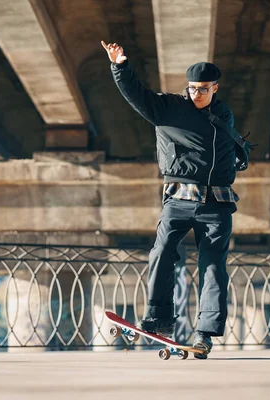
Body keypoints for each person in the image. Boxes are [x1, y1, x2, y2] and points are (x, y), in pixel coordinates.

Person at [101, 40, 244, 359]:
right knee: (162, 251)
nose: (197, 94)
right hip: (179, 198)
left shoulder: (223, 114)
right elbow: (136, 95)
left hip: (217, 204)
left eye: (203, 89)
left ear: (215, 87)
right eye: (192, 88)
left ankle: (204, 333)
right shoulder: (168, 108)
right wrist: (120, 66)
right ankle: (159, 320)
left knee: (214, 267)